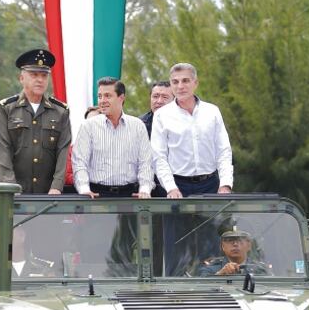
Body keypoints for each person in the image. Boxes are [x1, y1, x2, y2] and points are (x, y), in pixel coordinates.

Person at [72, 77, 175, 199]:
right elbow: (79, 162)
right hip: (96, 195)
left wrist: (145, 189)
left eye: (107, 96)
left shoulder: (138, 126)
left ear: (121, 98)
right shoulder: (88, 126)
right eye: (100, 96)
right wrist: (84, 189)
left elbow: (146, 163)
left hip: (131, 196)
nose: (102, 101)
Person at [0, 49, 71, 194]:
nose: (40, 80)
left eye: (44, 75)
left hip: (49, 193)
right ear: (21, 78)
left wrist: (57, 186)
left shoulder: (61, 111)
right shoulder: (6, 108)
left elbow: (63, 151)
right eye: (34, 75)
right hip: (16, 191)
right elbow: (3, 149)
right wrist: (10, 186)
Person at [151, 62, 233, 196]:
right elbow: (159, 157)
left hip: (211, 185)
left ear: (195, 83)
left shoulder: (212, 111)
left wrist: (225, 184)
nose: (180, 86)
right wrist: (171, 188)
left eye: (185, 81)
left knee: (217, 218)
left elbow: (223, 150)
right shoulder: (161, 115)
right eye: (175, 82)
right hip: (177, 186)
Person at [197, 223, 270, 277]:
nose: (235, 244)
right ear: (223, 246)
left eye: (240, 240)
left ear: (249, 245)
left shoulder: (259, 270)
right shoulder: (210, 269)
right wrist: (220, 275)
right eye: (230, 240)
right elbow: (201, 287)